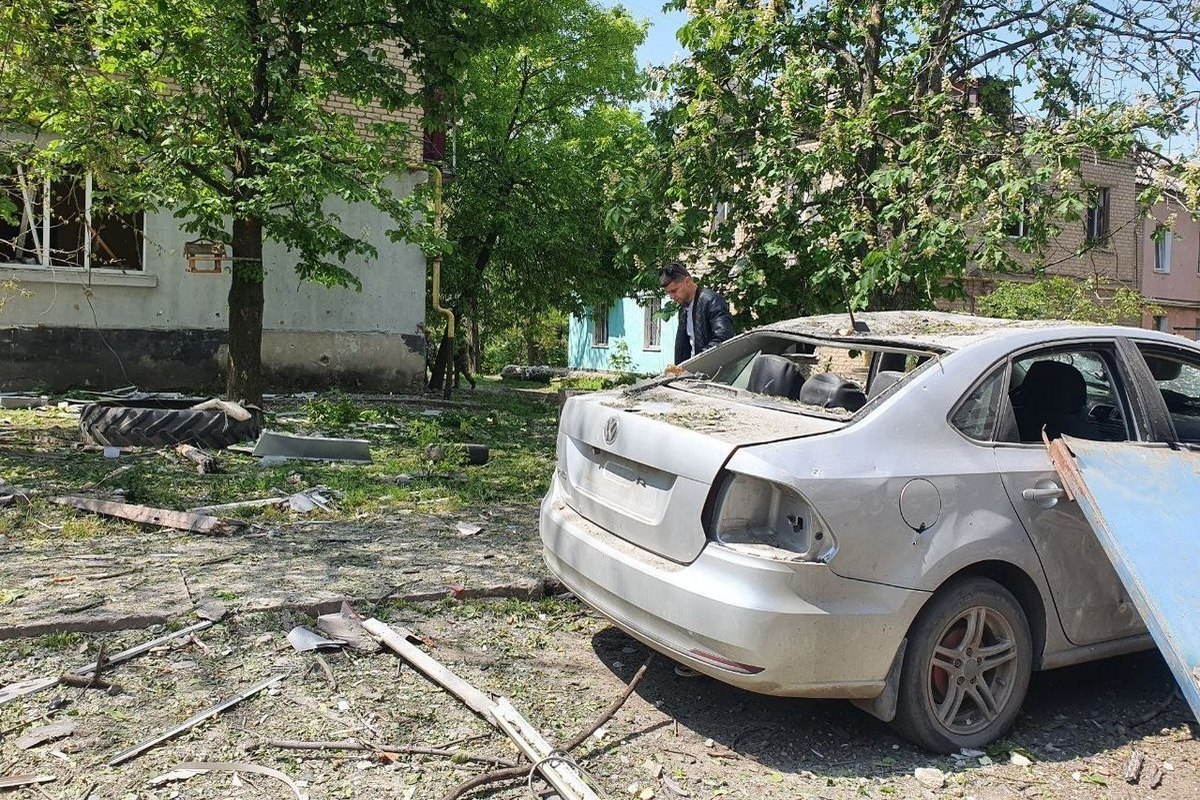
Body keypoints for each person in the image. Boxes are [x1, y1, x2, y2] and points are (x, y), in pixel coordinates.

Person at [659, 262, 733, 364]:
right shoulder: (683, 309)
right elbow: (684, 349)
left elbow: (723, 339)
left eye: (674, 290)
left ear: (688, 282)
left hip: (713, 372)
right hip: (694, 372)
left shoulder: (711, 301)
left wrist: (698, 362)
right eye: (669, 293)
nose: (672, 297)